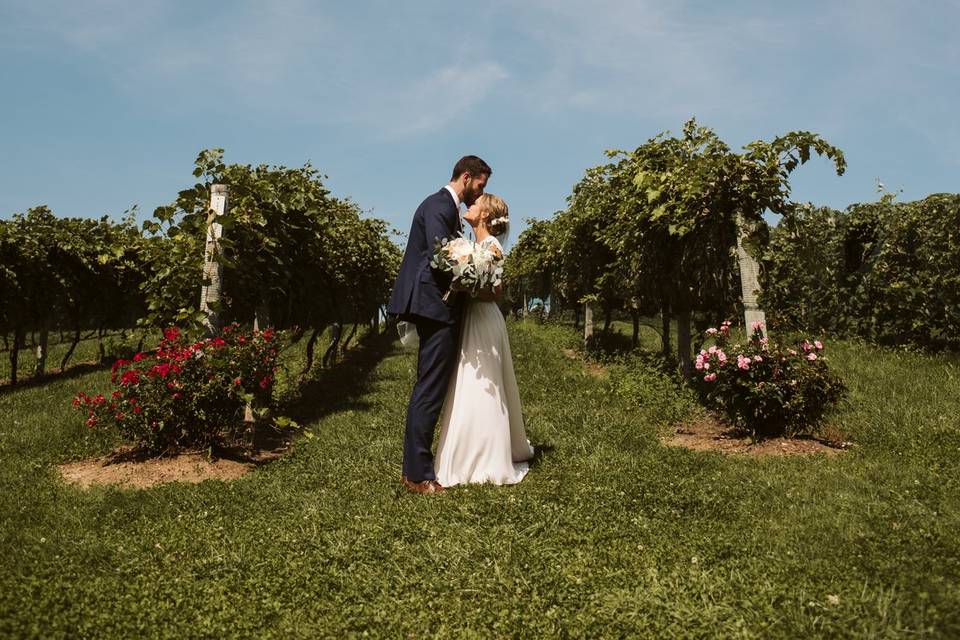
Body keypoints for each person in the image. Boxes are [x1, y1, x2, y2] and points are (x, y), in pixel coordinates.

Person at [386, 155, 491, 494]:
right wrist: (474, 273)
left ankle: (416, 469)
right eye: (479, 185)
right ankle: (417, 475)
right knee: (429, 389)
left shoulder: (445, 208)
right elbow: (441, 254)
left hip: (438, 306)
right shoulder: (438, 206)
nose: (480, 193)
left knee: (431, 386)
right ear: (465, 176)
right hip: (434, 307)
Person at [434, 194, 535, 487]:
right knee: (467, 381)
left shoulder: (490, 246)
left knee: (483, 384)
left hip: (484, 320)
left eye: (475, 205)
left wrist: (467, 287)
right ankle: (465, 453)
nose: (469, 206)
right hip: (473, 319)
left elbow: (495, 292)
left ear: (485, 216)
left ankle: (486, 458)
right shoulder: (474, 245)